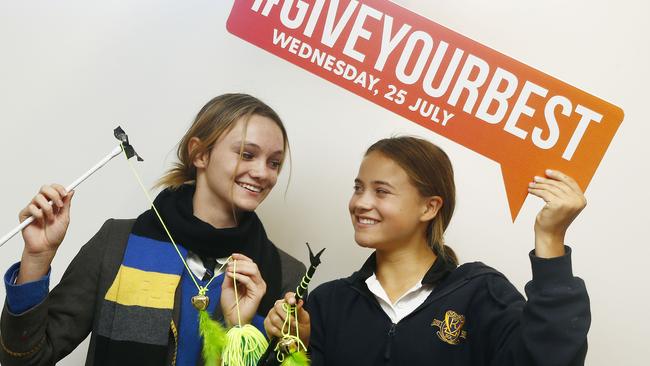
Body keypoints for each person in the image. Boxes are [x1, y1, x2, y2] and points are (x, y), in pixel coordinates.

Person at [0, 93, 306, 366]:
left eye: (275, 163)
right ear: (200, 154)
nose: (262, 172)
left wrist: (241, 326)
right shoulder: (117, 243)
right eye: (247, 154)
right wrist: (36, 260)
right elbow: (26, 360)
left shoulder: (286, 275)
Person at [265, 136, 590, 365]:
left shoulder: (480, 293)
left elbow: (551, 357)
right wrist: (297, 347)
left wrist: (550, 237)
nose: (361, 203)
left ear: (429, 207)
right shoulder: (328, 302)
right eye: (358, 188)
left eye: (381, 191)